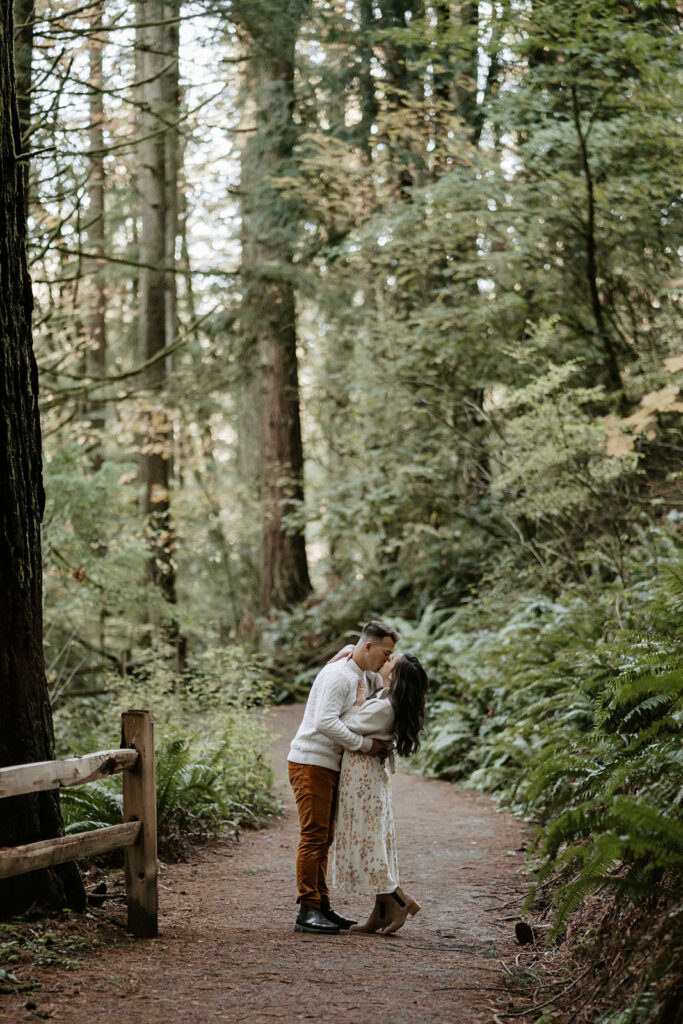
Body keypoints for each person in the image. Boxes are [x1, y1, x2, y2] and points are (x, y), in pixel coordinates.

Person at [287, 620, 399, 935]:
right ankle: (307, 910)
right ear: (368, 646)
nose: (387, 660)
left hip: (328, 765)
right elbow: (324, 722)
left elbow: (382, 685)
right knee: (313, 836)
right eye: (385, 653)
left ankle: (321, 906)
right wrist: (366, 745)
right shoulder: (340, 675)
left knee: (325, 837)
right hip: (311, 761)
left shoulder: (360, 674)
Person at [331, 651, 429, 935]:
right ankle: (380, 913)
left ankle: (400, 900)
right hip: (366, 776)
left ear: (394, 675)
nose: (383, 661)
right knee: (373, 841)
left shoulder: (385, 706)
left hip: (363, 779)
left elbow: (346, 722)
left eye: (389, 661)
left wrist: (350, 704)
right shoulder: (385, 696)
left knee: (368, 843)